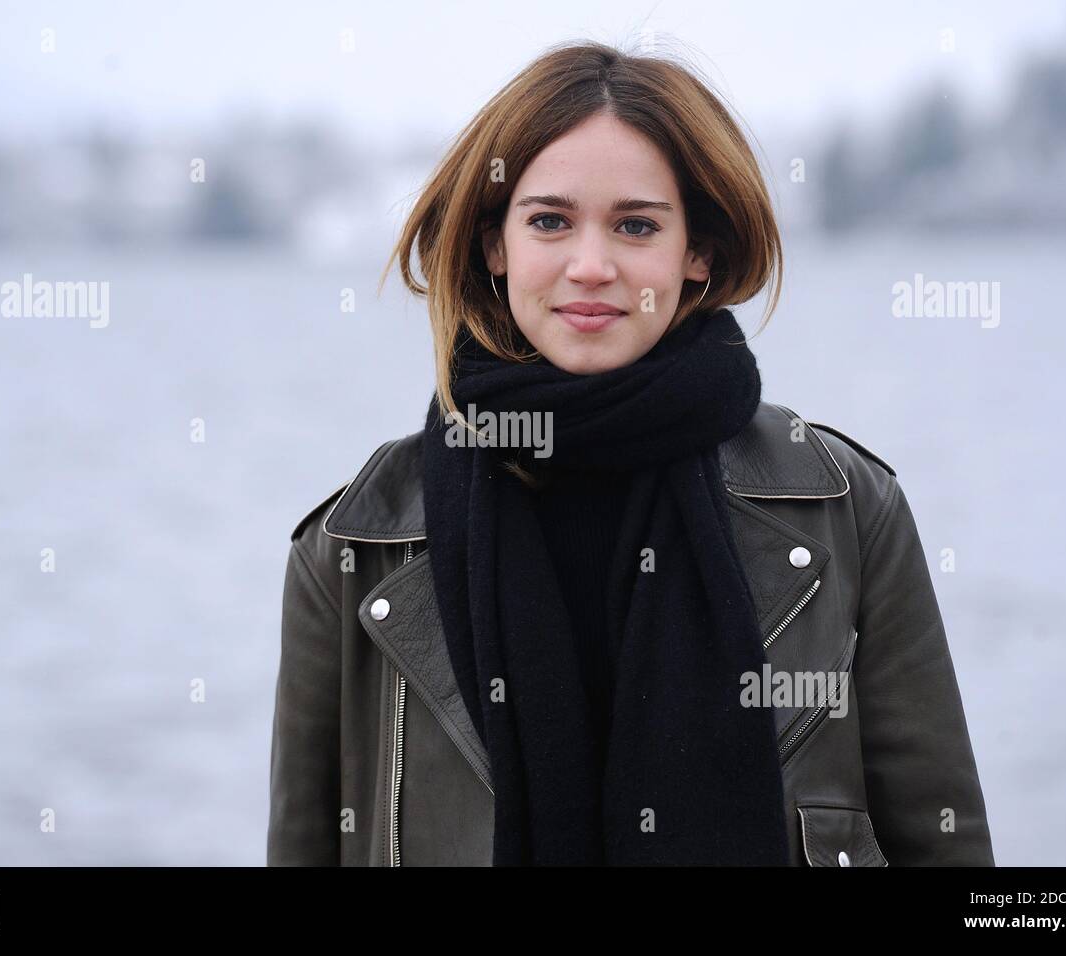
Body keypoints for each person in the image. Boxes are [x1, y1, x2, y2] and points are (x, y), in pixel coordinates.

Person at [268, 40, 994, 866]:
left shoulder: (848, 509)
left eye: (636, 225)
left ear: (699, 254)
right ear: (494, 247)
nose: (590, 266)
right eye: (548, 220)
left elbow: (947, 846)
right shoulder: (351, 548)